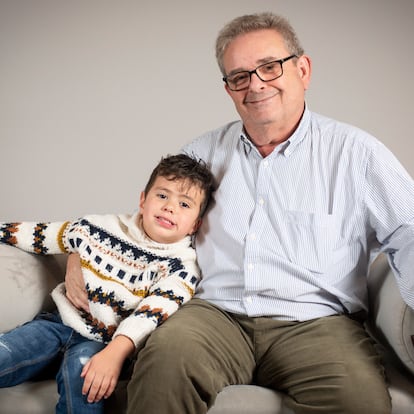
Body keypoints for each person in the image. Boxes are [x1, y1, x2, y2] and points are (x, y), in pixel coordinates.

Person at [65, 12, 414, 414]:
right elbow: (149, 228)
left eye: (270, 67)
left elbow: (408, 233)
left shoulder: (356, 153)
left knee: (358, 398)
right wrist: (80, 254)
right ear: (229, 88)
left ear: (303, 69)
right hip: (214, 316)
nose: (256, 84)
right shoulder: (202, 153)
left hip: (318, 322)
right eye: (240, 76)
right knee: (165, 360)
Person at [0, 153, 215, 414]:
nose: (170, 206)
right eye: (162, 196)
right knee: (6, 353)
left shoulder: (182, 268)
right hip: (58, 324)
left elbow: (149, 316)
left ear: (196, 225)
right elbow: (40, 234)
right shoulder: (99, 228)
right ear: (143, 200)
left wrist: (114, 355)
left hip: (104, 345)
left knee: (85, 383)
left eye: (184, 204)